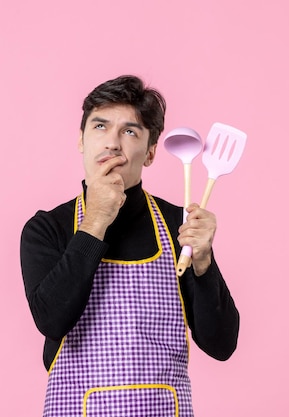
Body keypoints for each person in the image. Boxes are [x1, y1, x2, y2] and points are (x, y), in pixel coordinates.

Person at [20, 75, 239, 417]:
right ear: (81, 139)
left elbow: (221, 344)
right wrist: (96, 221)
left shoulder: (179, 224)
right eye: (100, 126)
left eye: (130, 131)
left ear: (151, 152)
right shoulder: (48, 228)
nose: (112, 143)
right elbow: (52, 320)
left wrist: (203, 263)